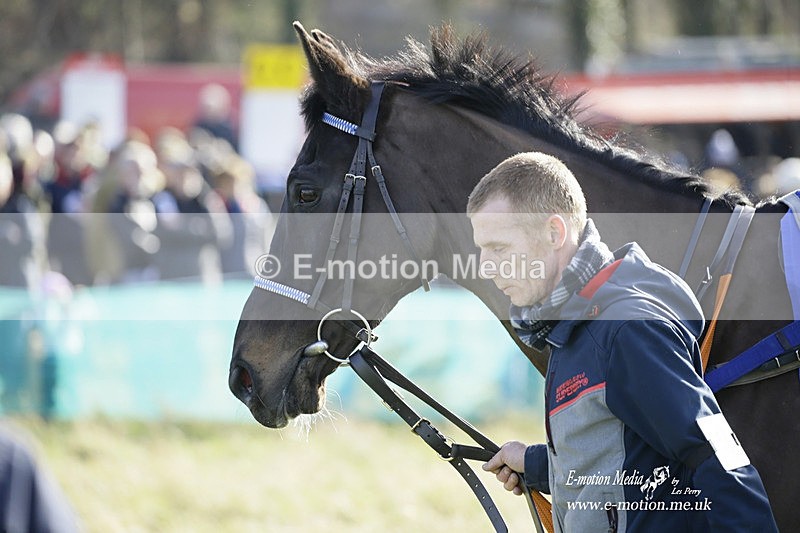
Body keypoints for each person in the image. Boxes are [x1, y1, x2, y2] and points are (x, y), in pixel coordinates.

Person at [468, 152, 776, 531]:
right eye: (481, 249)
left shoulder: (626, 328)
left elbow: (716, 455)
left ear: (554, 233)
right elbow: (631, 456)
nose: (485, 266)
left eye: (498, 248)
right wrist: (536, 464)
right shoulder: (569, 325)